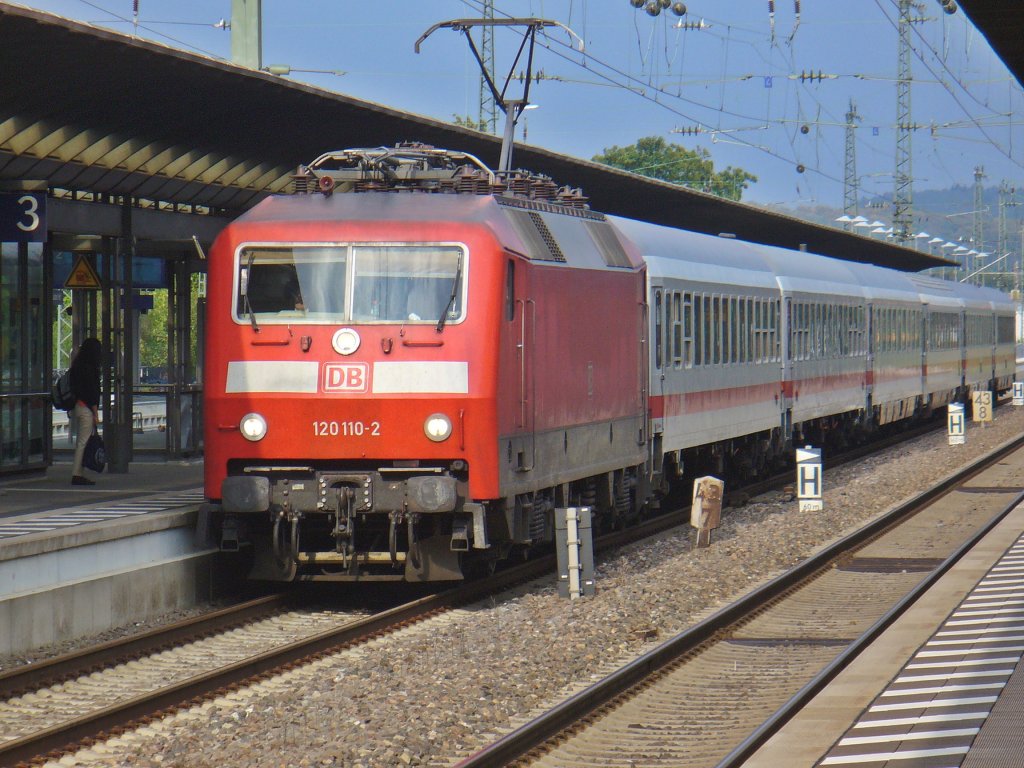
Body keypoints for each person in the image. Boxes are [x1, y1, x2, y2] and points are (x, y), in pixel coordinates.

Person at [68, 337, 102, 486]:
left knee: (82, 441)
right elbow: (92, 392)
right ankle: (77, 473)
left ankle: (79, 473)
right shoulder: (90, 368)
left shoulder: (77, 366)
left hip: (78, 406)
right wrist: (95, 412)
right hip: (86, 408)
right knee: (83, 442)